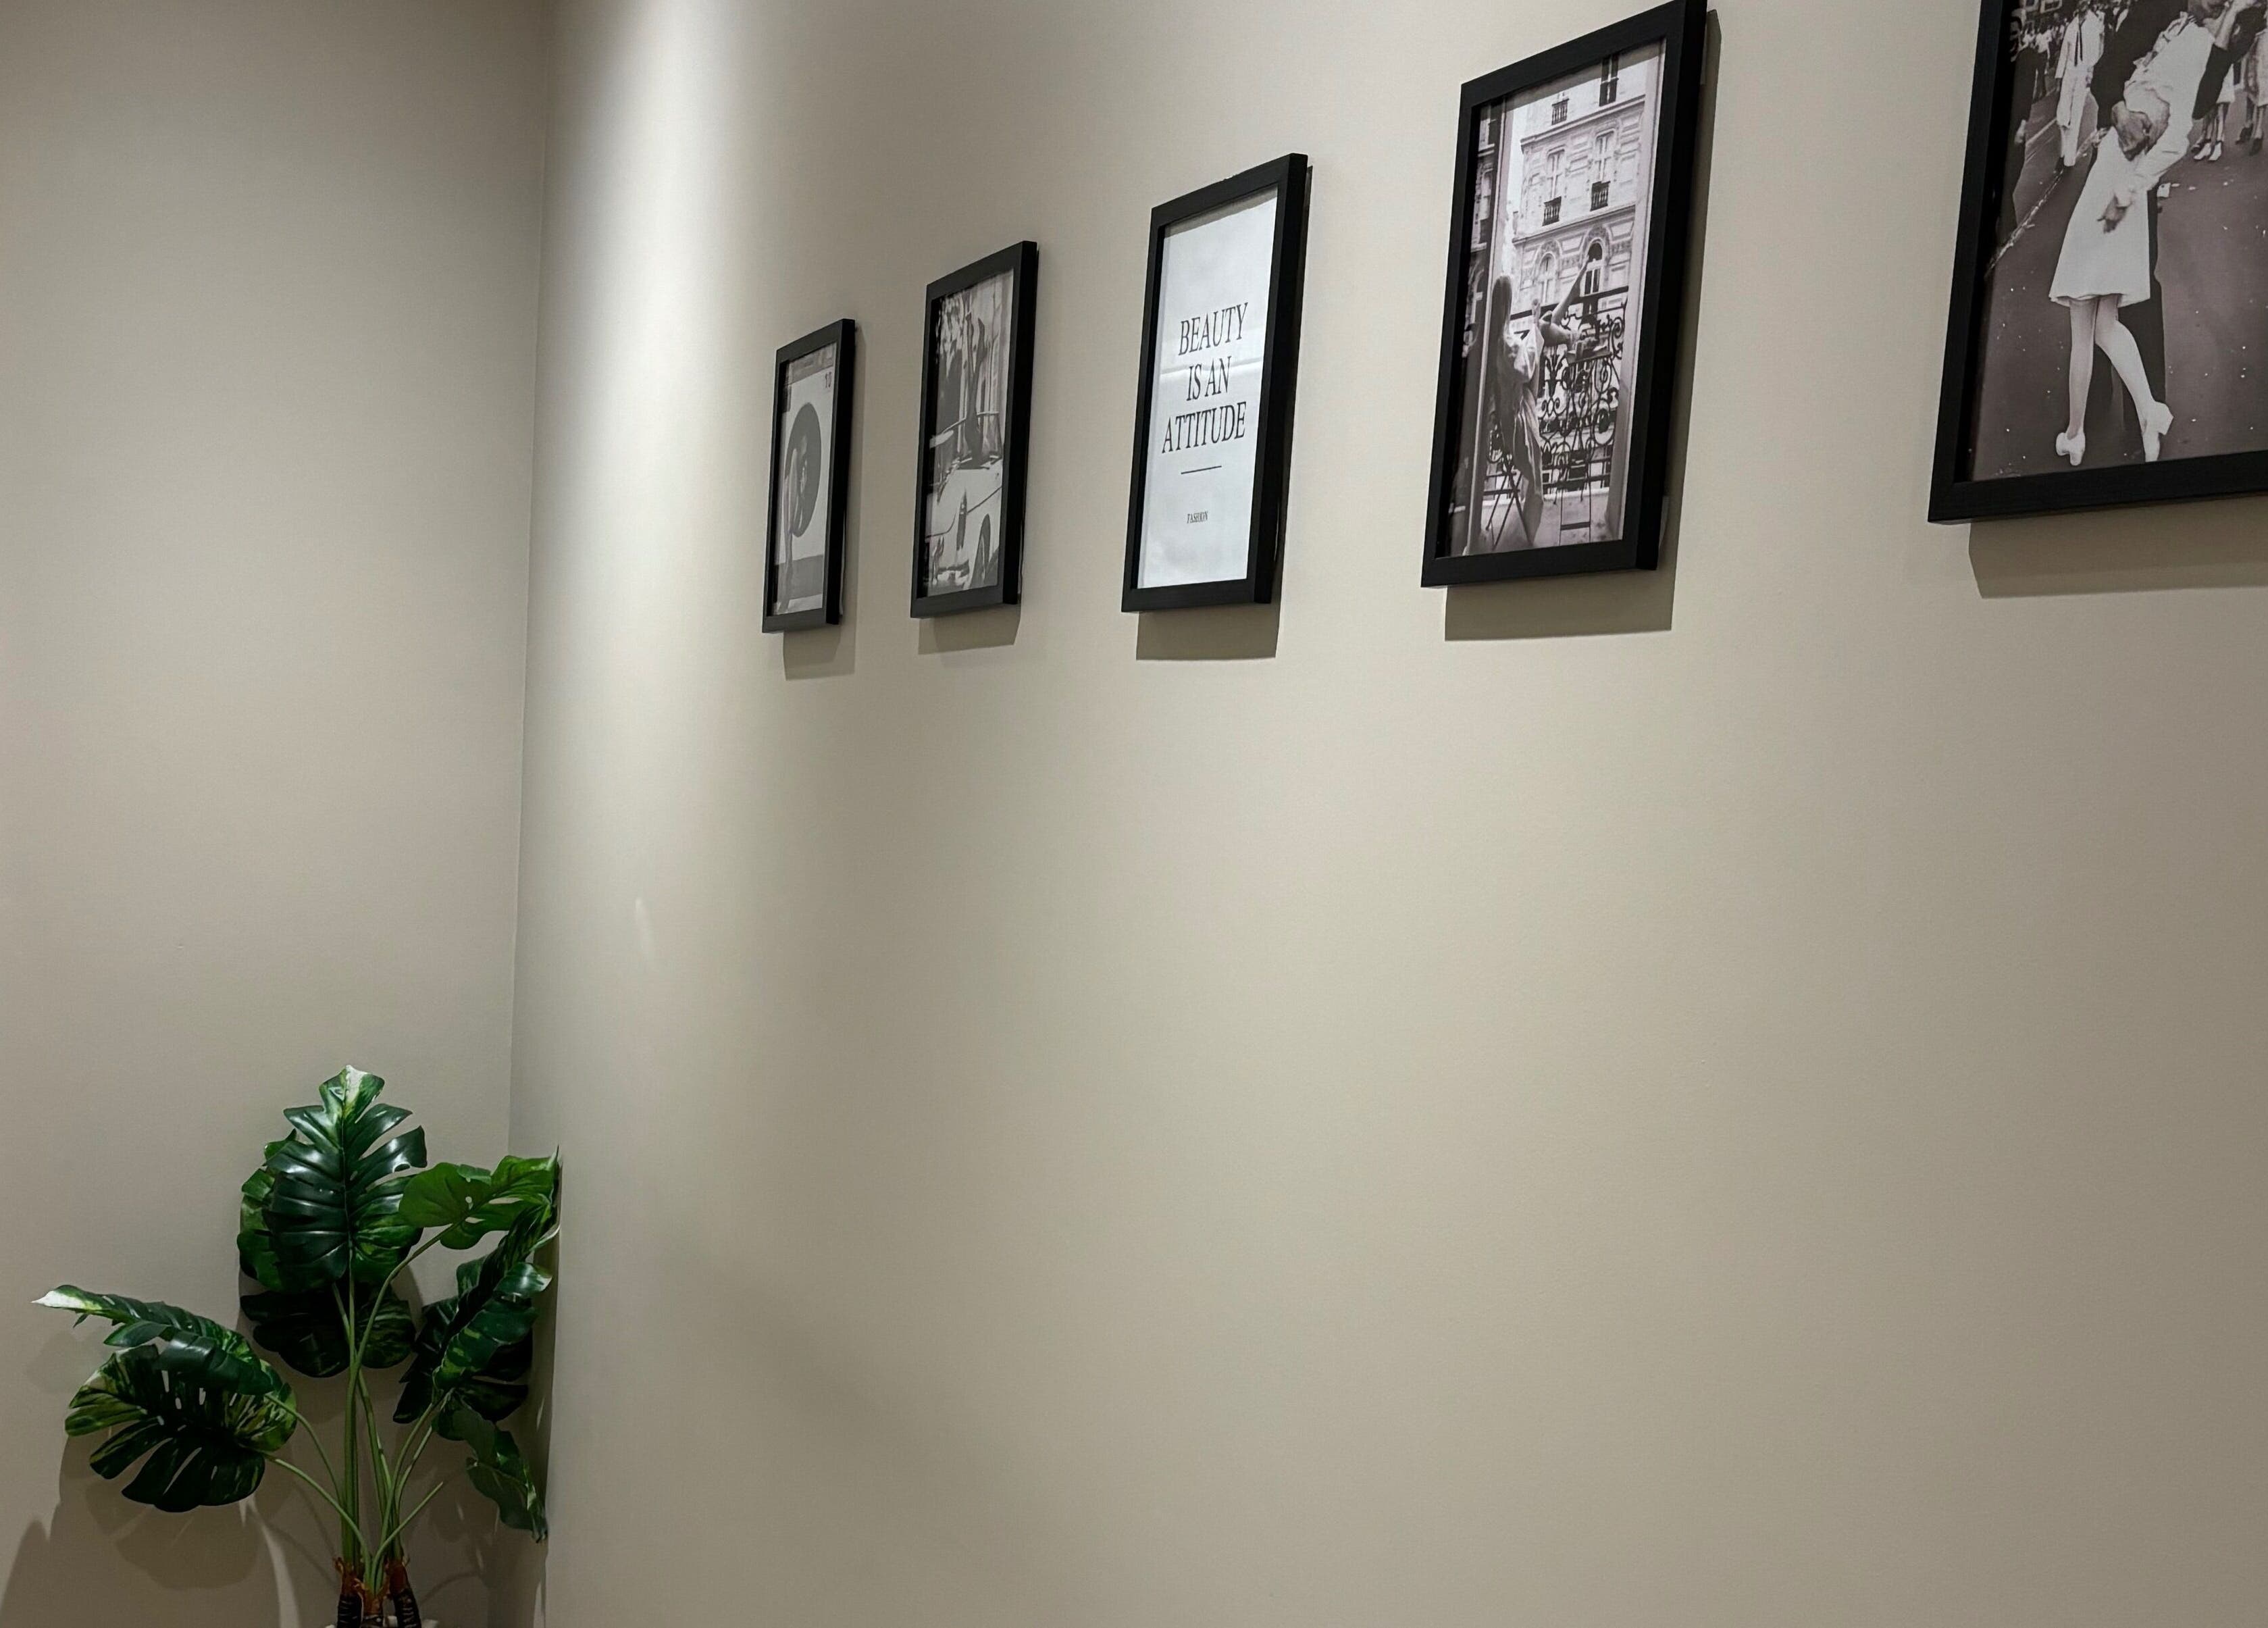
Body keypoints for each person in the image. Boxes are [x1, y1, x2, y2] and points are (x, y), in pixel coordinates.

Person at [2059, 2, 2107, 172]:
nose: (2081, 3)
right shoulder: (2072, 23)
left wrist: (2090, 73)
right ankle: (2063, 151)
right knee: (2062, 117)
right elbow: (2065, 51)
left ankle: (2068, 159)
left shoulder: (2094, 23)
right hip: (2069, 71)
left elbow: (2096, 51)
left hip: (2082, 72)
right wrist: (2060, 76)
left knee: (2075, 116)